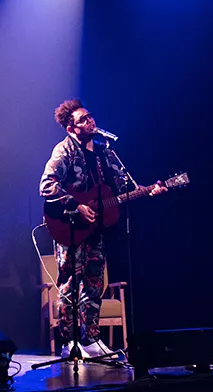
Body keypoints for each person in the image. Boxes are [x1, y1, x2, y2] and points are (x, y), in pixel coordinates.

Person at [40, 98, 166, 358]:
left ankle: (91, 339)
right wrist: (76, 205)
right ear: (70, 128)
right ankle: (69, 342)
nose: (90, 122)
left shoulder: (104, 151)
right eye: (83, 119)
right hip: (70, 227)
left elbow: (122, 185)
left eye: (90, 117)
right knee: (70, 284)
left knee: (95, 284)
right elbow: (47, 185)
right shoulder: (63, 151)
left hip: (96, 229)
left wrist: (147, 190)